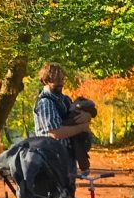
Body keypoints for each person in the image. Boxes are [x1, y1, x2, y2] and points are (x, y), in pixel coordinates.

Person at [33, 62, 92, 190]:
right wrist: (82, 128)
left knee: (69, 195)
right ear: (46, 80)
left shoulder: (65, 100)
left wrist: (87, 117)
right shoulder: (45, 102)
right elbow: (55, 133)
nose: (61, 83)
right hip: (52, 158)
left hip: (68, 157)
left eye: (62, 79)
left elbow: (76, 116)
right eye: (57, 80)